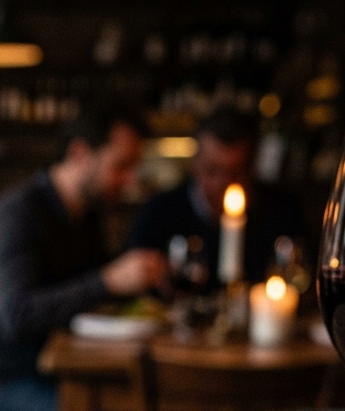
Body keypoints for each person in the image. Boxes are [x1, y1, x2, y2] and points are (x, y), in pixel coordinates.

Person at [0, 112, 167, 411]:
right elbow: (17, 316)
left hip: (58, 373)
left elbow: (89, 294)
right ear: (79, 154)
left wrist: (138, 279)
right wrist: (108, 281)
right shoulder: (16, 214)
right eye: (120, 166)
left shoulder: (86, 217)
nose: (130, 180)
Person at [128, 106, 307, 290]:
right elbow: (131, 279)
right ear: (194, 163)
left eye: (235, 174)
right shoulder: (159, 211)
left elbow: (300, 277)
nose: (223, 184)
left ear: (252, 168)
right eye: (212, 170)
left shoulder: (283, 211)